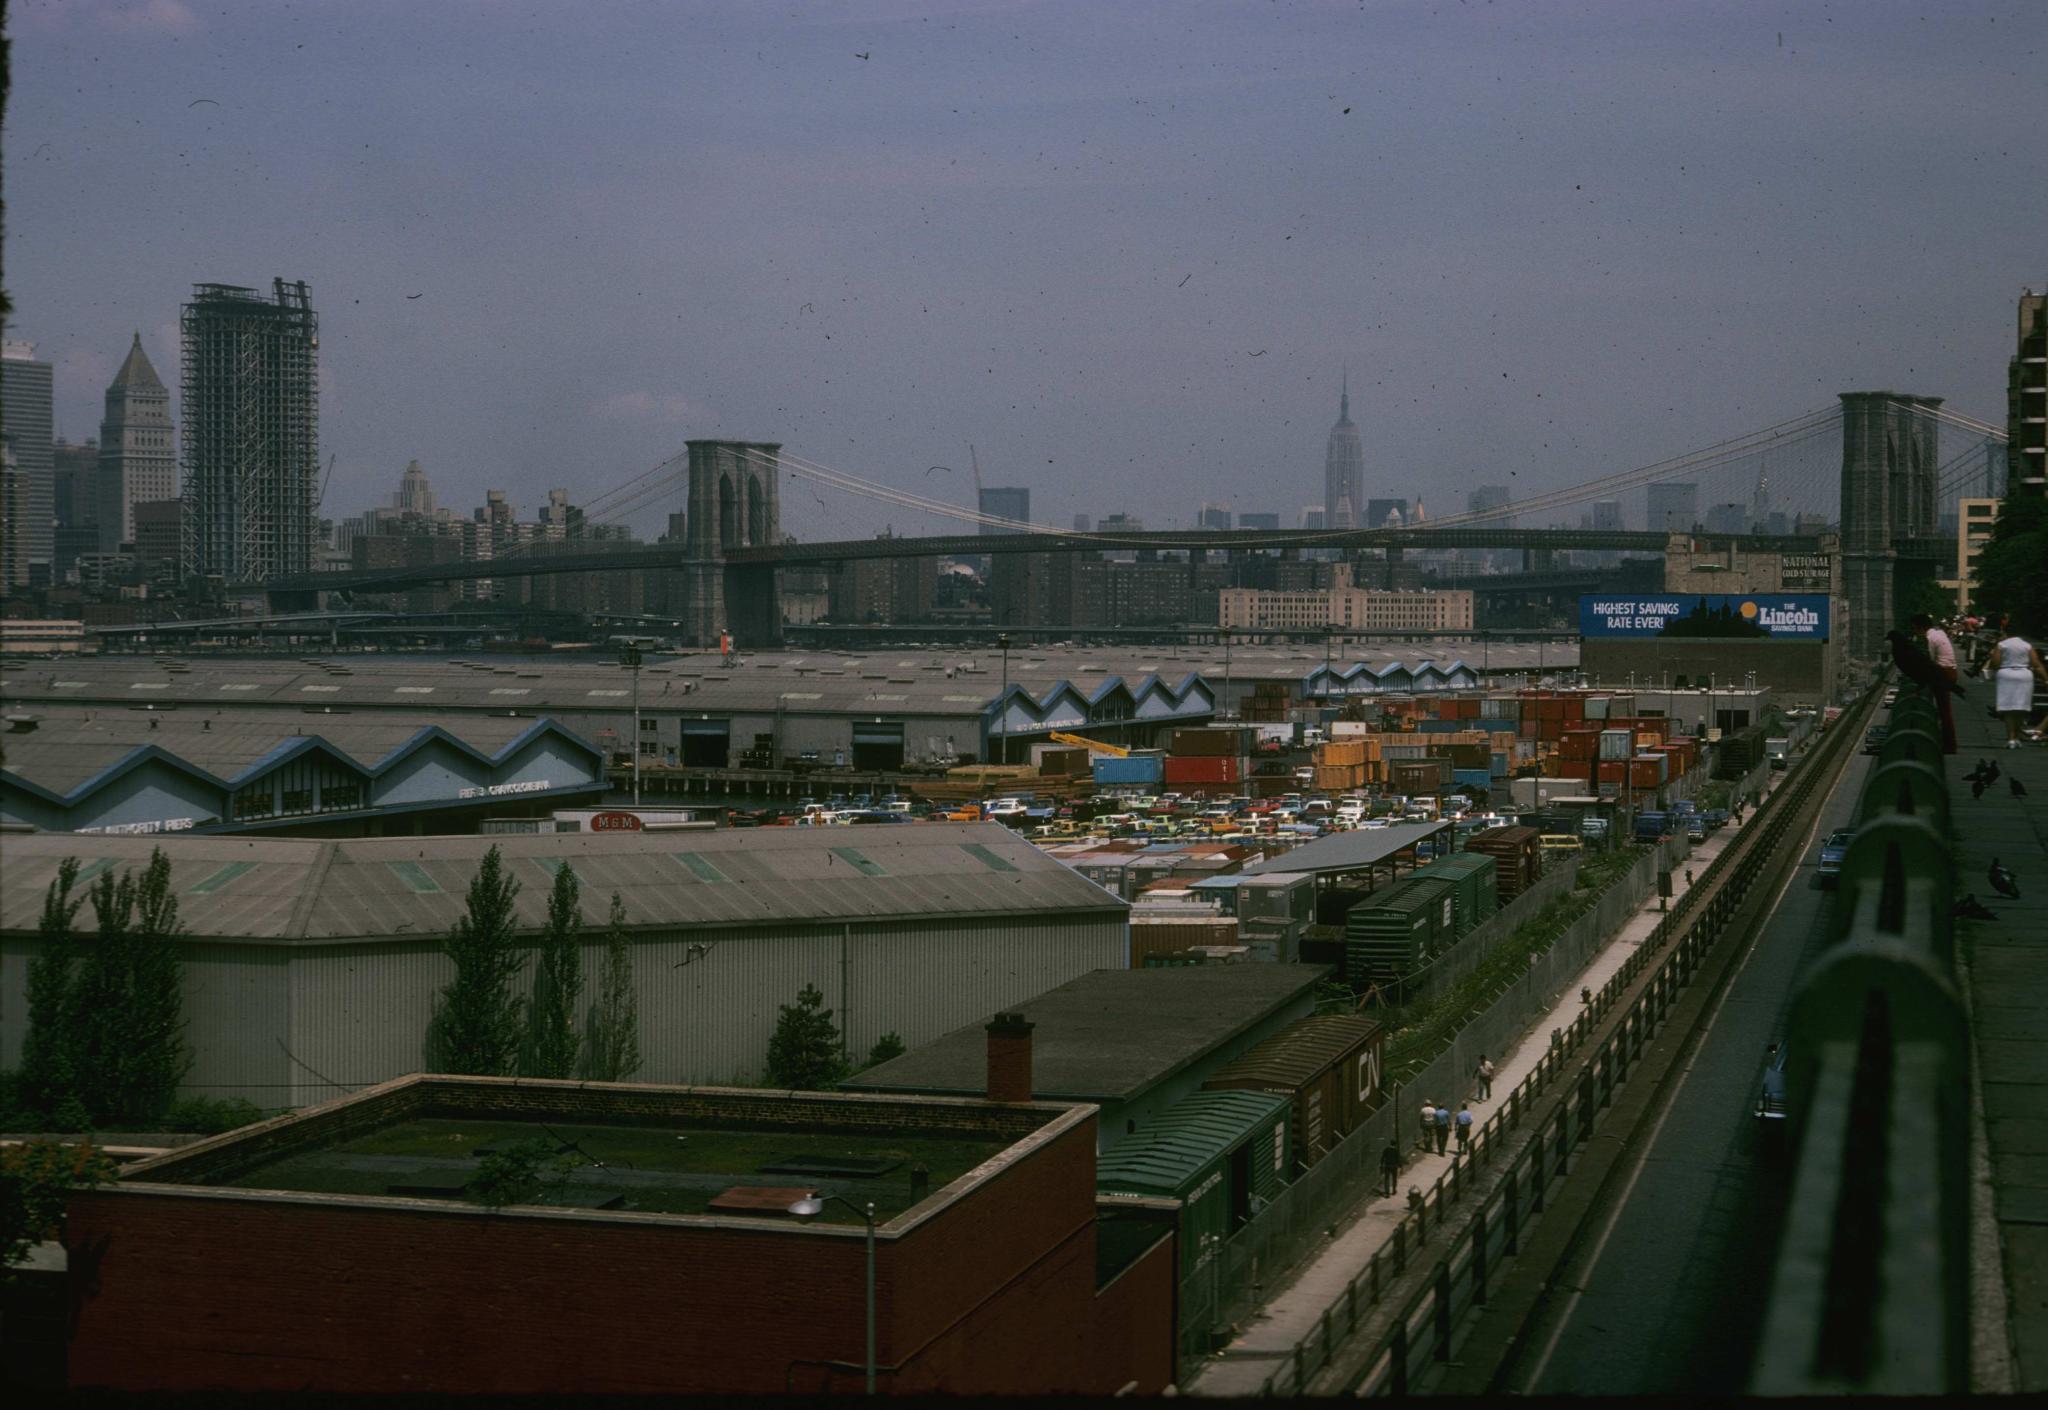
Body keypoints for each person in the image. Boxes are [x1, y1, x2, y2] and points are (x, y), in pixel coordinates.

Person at [1991, 620, 2047, 749]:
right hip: (2024, 675)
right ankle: (2017, 736)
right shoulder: (2026, 645)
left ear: (2006, 631)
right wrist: (2046, 679)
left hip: (2006, 674)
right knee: (2021, 706)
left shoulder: (2001, 645)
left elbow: (1995, 663)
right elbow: (2036, 664)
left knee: (2008, 708)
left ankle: (2011, 738)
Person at [1912, 612, 1959, 755]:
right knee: (1944, 710)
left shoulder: (1929, 638)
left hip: (1943, 673)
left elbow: (1930, 660)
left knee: (1945, 711)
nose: (1914, 631)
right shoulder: (1939, 633)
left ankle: (1949, 745)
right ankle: (1946, 743)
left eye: (1914, 628)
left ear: (1920, 627)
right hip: (1950, 671)